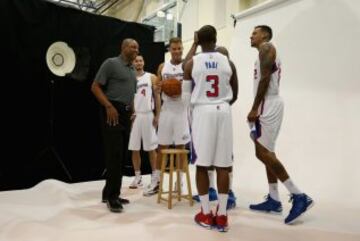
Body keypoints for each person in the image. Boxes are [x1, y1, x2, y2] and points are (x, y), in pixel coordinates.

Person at [247, 25, 313, 224]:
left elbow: (266, 78)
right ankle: (274, 199)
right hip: (267, 103)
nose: (251, 35)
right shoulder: (263, 50)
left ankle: (300, 196)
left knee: (262, 152)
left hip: (268, 103)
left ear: (265, 35)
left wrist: (254, 107)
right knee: (266, 151)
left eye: (255, 32)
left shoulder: (267, 47)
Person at [183, 25, 238, 232]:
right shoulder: (228, 61)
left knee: (202, 164)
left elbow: (186, 98)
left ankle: (206, 213)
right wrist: (220, 104)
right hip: (224, 110)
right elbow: (236, 91)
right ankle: (222, 216)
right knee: (224, 165)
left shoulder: (191, 63)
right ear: (216, 38)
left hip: (202, 112)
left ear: (197, 38)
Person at [143, 36, 198, 196]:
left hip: (181, 110)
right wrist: (159, 86)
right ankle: (157, 182)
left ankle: (179, 183)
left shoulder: (187, 65)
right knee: (162, 147)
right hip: (167, 110)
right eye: (174, 48)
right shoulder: (163, 66)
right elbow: (157, 86)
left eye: (180, 48)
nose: (177, 51)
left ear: (182, 49)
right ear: (170, 50)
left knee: (181, 148)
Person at [91, 38, 139, 213]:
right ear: (123, 47)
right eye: (133, 47)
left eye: (137, 48)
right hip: (113, 111)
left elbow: (131, 93)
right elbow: (95, 87)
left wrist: (132, 112)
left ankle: (108, 193)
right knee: (115, 154)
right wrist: (108, 106)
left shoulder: (132, 69)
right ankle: (113, 197)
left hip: (126, 114)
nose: (136, 50)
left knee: (120, 154)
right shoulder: (111, 63)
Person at [192, 46, 237, 210]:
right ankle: (211, 189)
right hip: (221, 112)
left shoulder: (226, 65)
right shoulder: (222, 67)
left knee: (220, 160)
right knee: (212, 158)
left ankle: (229, 192)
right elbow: (235, 94)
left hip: (210, 111)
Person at [128, 54, 161, 189]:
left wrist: (158, 115)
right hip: (136, 116)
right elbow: (128, 97)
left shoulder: (151, 77)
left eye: (141, 60)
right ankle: (138, 177)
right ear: (133, 63)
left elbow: (157, 97)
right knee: (134, 148)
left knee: (151, 148)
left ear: (144, 62)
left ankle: (155, 177)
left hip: (148, 114)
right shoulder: (129, 78)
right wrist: (130, 113)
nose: (139, 63)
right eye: (136, 61)